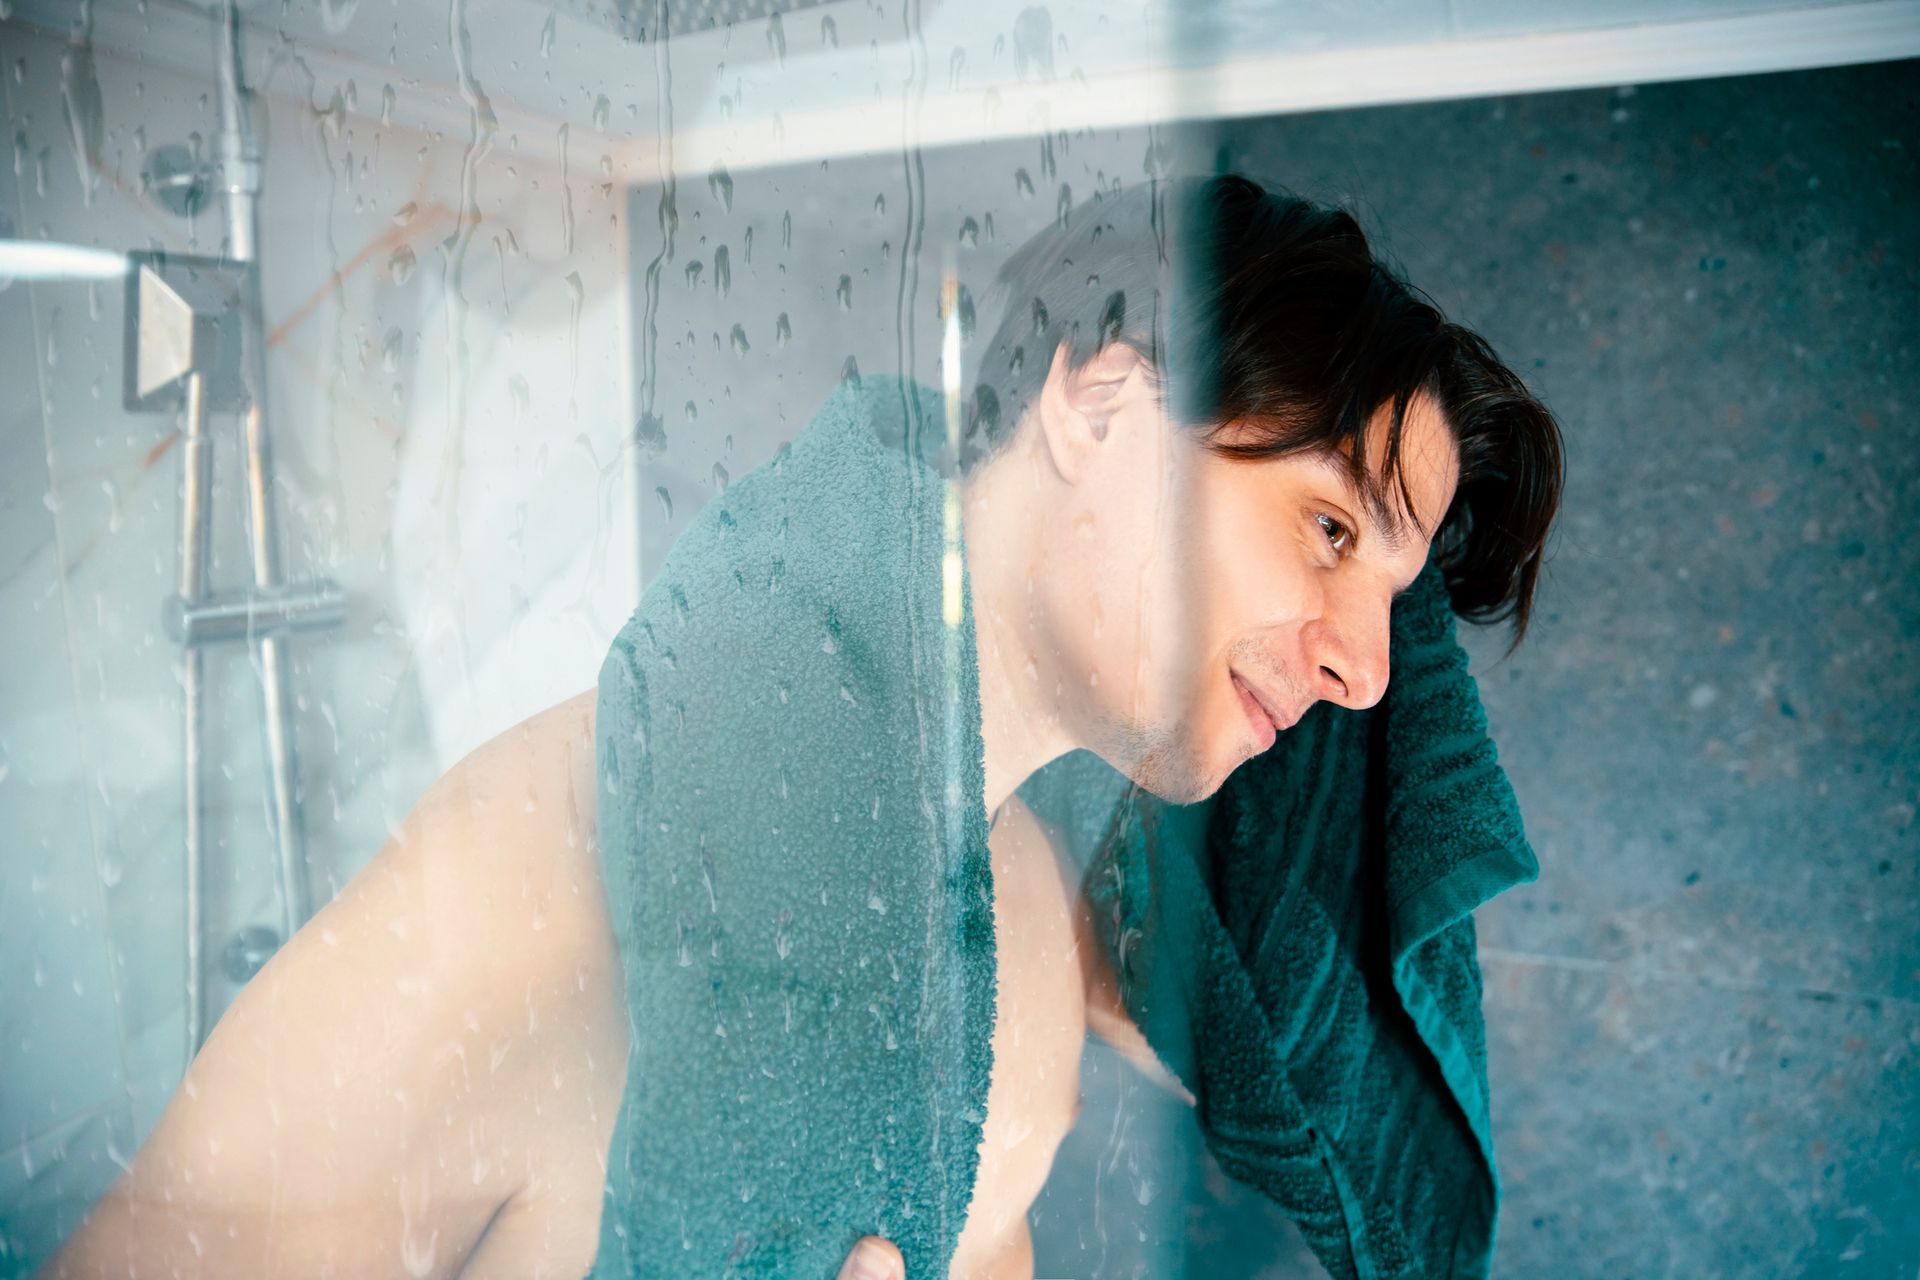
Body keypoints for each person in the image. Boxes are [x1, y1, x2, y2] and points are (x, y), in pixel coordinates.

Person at [39, 173, 1562, 1279]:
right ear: (1101, 408)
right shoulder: (543, 882)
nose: (1368, 670)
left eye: (1392, 591)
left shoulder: (1023, 922)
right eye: (1326, 532)